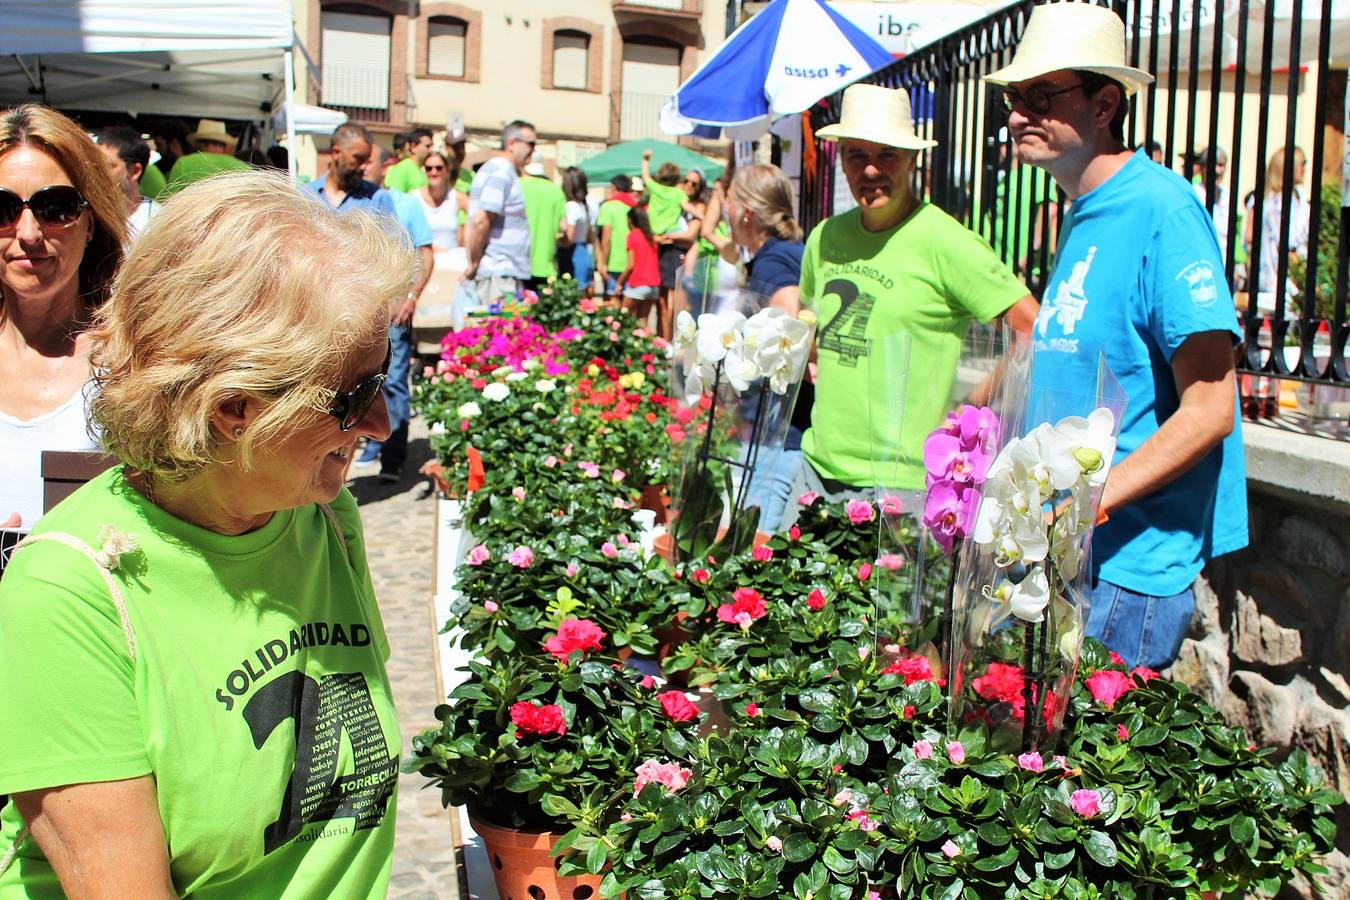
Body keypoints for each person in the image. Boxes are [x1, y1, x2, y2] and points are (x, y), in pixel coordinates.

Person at [0, 171, 408, 895]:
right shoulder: (68, 596)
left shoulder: (322, 517)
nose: (381, 426)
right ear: (233, 406)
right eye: (354, 396)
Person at [984, 0, 1247, 669]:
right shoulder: (1081, 214)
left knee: (1092, 770)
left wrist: (1090, 505)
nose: (1017, 114)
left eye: (1041, 95)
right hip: (1061, 556)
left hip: (1125, 574)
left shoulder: (1164, 210)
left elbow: (1212, 408)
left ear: (1105, 105)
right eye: (1015, 96)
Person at [791, 83, 1039, 516]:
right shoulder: (824, 238)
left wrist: (971, 409)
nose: (870, 170)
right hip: (815, 470)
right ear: (841, 159)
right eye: (857, 155)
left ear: (912, 158)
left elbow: (1030, 326)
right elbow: (814, 325)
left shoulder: (944, 240)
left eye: (886, 154)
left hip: (901, 487)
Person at [0, 104, 126, 532]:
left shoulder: (132, 364)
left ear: (91, 222)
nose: (29, 233)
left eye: (56, 207)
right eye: (4, 209)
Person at [339, 138, 434, 483]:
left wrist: (409, 297)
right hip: (341, 312)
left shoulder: (397, 205)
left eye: (370, 161)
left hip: (386, 309)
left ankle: (392, 456)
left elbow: (423, 253)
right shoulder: (321, 193)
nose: (366, 168)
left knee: (391, 381)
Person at [720, 164, 807, 531]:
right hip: (779, 430)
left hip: (774, 435)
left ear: (745, 211)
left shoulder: (772, 262)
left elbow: (792, 315)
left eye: (727, 199)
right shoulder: (787, 252)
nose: (725, 210)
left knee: (752, 543)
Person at [465, 120, 534, 300]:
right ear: (511, 143)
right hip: (498, 271)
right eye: (530, 144)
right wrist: (473, 262)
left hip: (501, 272)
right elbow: (482, 220)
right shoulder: (501, 172)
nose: (533, 150)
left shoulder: (502, 170)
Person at [1245, 145, 1309, 297]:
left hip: (1294, 280)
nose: (1304, 169)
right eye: (1301, 164)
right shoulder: (1272, 202)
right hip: (1277, 281)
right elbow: (1287, 245)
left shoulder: (1299, 199)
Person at [95, 125, 160, 240]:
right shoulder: (86, 215)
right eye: (95, 164)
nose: (98, 172)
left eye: (108, 166)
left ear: (135, 171)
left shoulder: (157, 220)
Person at [163, 119, 250, 194]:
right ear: (224, 145)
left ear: (198, 144)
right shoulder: (244, 168)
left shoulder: (184, 163)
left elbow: (169, 202)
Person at [519, 161, 567, 291]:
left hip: (518, 264)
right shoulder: (555, 191)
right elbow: (564, 227)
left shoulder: (517, 186)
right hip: (546, 265)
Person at [596, 174, 639, 298]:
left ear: (614, 188)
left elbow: (606, 238)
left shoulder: (608, 207)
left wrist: (603, 262)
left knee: (613, 305)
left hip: (614, 262)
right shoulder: (634, 206)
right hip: (632, 262)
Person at [617, 204, 660, 323]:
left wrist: (620, 282)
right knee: (643, 321)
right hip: (654, 285)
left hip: (638, 284)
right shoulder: (651, 237)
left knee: (621, 319)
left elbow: (631, 264)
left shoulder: (633, 236)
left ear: (630, 220)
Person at [416, 150, 463, 251]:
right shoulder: (414, 198)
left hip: (452, 261)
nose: (433, 172)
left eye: (439, 168)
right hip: (424, 262)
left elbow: (478, 218)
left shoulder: (457, 196)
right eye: (429, 168)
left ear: (447, 170)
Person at [561, 167, 595, 294]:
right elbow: (590, 237)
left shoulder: (571, 207)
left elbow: (568, 239)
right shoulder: (583, 207)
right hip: (584, 254)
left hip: (573, 257)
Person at [385, 128, 433, 194]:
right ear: (414, 147)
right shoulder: (403, 168)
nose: (431, 150)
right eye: (427, 146)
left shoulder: (424, 169)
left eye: (432, 146)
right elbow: (394, 198)